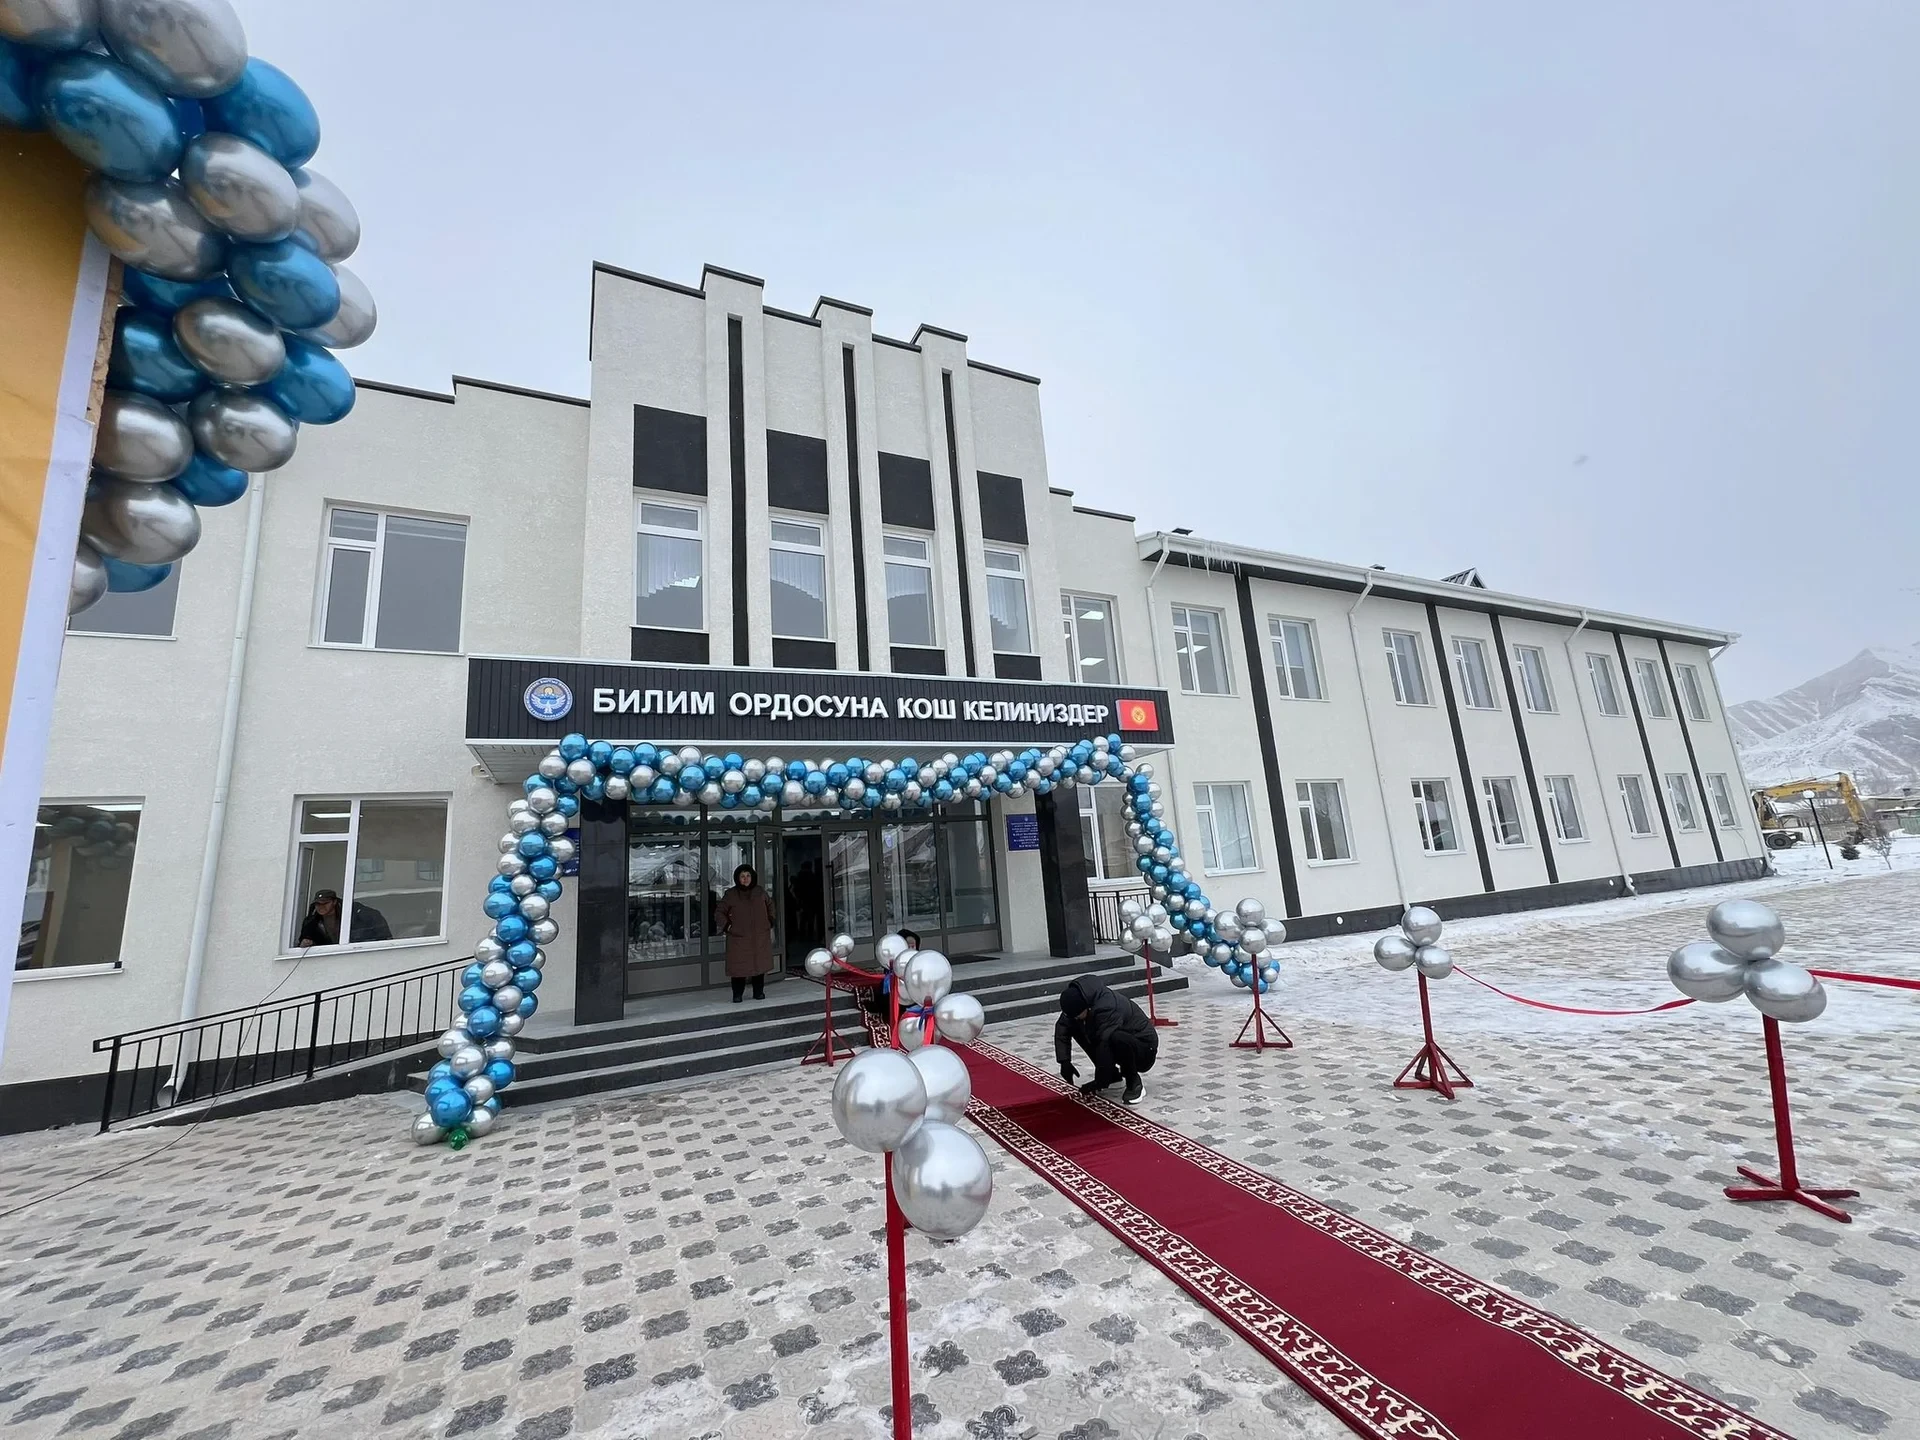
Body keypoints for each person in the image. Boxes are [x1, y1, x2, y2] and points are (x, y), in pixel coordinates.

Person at [1056, 973, 1158, 1105]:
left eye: (1077, 1015)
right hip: (1116, 1040)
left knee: (1116, 1037)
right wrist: (1065, 1062)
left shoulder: (1108, 1006)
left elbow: (1103, 1044)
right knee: (1077, 1027)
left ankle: (1134, 1082)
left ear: (1086, 1007)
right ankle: (1114, 1077)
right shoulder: (1079, 999)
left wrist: (1100, 1081)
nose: (1076, 1017)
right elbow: (1063, 1026)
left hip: (1144, 1048)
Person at [715, 864, 777, 1002]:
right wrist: (728, 927)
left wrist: (770, 921)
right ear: (738, 878)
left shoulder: (760, 892)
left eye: (748, 876)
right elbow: (719, 912)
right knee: (739, 969)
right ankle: (737, 994)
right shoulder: (731, 894)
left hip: (759, 937)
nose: (745, 879)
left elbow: (770, 906)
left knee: (759, 966)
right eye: (742, 876)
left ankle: (758, 992)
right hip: (738, 939)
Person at [297, 889, 392, 949]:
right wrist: (306, 943)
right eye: (318, 904)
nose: (321, 907)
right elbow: (304, 941)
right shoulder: (312, 921)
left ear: (334, 902)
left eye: (325, 903)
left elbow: (379, 929)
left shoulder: (354, 912)